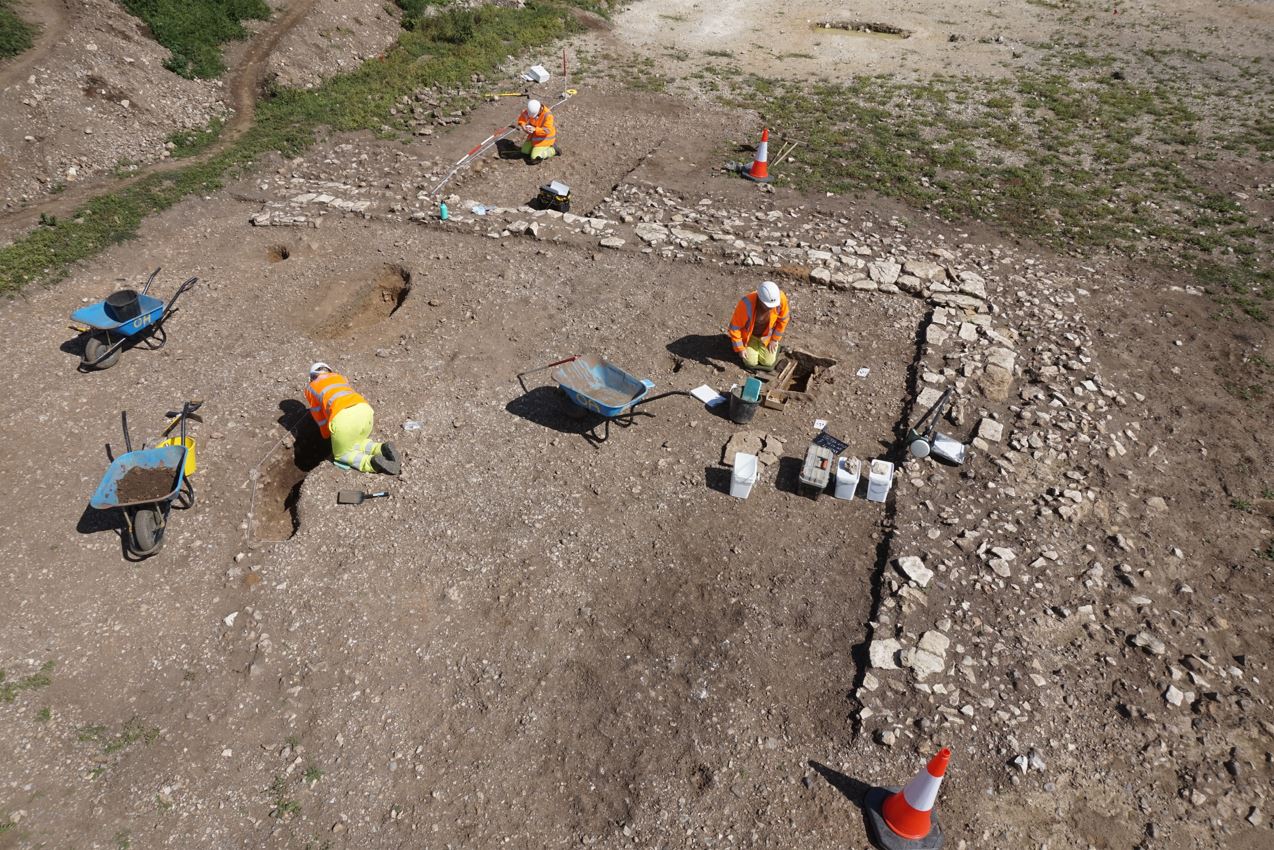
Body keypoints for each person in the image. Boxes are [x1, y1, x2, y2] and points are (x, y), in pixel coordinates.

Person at [304, 363, 400, 475]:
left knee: (342, 454)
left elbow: (319, 417)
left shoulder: (311, 388)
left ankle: (371, 463)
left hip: (343, 419)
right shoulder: (340, 377)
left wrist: (326, 435)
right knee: (358, 442)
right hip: (365, 411)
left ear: (312, 376)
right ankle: (381, 449)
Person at [727, 281, 790, 369]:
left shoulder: (780, 299)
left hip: (767, 335)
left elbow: (783, 320)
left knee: (768, 362)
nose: (771, 308)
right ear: (760, 299)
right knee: (751, 362)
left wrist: (774, 340)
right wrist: (740, 348)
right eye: (768, 306)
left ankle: (772, 346)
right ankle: (751, 346)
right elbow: (734, 328)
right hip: (750, 336)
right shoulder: (746, 304)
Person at [516, 98, 556, 162]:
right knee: (524, 151)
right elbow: (522, 118)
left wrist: (535, 129)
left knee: (534, 157)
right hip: (534, 137)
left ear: (540, 109)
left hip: (545, 139)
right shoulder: (531, 110)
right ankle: (535, 148)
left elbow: (547, 131)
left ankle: (553, 150)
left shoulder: (548, 115)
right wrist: (524, 127)